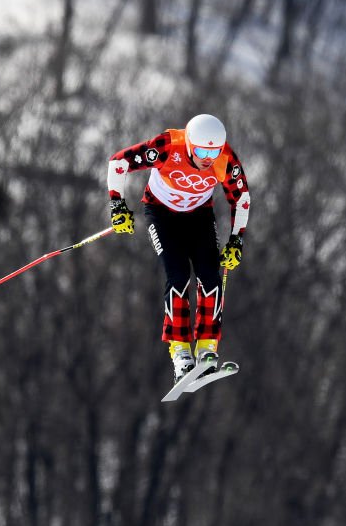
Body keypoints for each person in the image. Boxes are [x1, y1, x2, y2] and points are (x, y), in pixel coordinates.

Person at [106, 114, 250, 383]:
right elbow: (118, 162)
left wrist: (236, 239)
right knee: (178, 275)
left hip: (198, 216)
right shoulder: (168, 146)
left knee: (210, 276)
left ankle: (207, 347)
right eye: (202, 151)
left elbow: (241, 198)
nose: (208, 158)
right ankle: (181, 353)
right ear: (190, 145)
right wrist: (118, 206)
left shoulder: (225, 160)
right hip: (161, 215)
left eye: (213, 151)